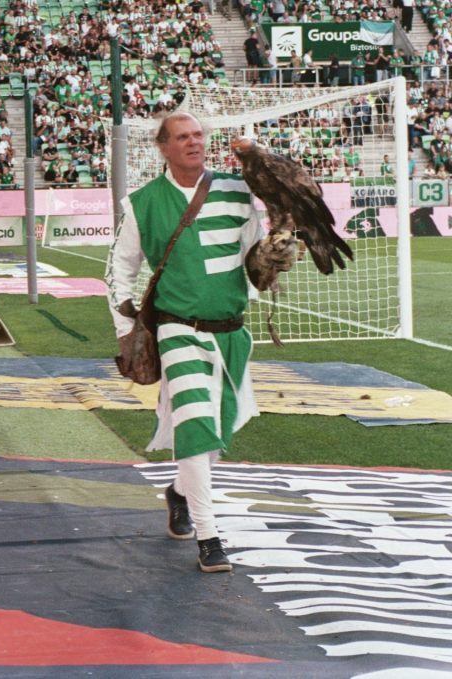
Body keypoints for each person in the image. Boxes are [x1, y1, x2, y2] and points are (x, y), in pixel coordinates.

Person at [106, 112, 296, 573]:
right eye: (182, 137)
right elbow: (119, 270)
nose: (193, 143)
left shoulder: (237, 191)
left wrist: (275, 258)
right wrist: (126, 332)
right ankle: (210, 537)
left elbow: (254, 262)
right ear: (163, 147)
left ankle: (178, 490)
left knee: (216, 433)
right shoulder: (142, 203)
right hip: (176, 329)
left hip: (232, 330)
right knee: (193, 424)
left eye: (198, 136)